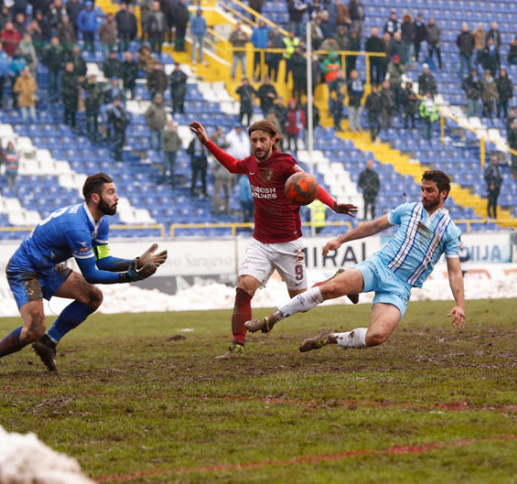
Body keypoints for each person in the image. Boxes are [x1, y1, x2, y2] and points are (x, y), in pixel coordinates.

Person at [0, 173, 169, 377]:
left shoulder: (100, 222)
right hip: (25, 269)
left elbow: (103, 261)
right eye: (111, 192)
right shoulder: (77, 227)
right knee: (34, 329)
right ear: (95, 198)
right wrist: (133, 276)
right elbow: (91, 274)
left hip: (48, 267)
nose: (117, 197)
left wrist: (135, 263)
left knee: (93, 297)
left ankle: (48, 342)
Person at [188, 119, 357, 358]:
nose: (257, 145)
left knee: (301, 301)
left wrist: (333, 204)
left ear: (273, 141)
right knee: (243, 288)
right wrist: (207, 142)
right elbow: (231, 165)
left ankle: (340, 279)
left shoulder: (285, 162)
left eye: (262, 140)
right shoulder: (249, 164)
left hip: (288, 243)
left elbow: (310, 185)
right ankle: (237, 346)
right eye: (254, 140)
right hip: (260, 242)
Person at [245, 170, 465, 353]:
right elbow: (374, 226)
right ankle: (270, 319)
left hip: (400, 287)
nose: (424, 194)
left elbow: (454, 272)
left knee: (377, 336)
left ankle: (329, 338)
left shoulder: (450, 231)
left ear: (443, 193)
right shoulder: (408, 209)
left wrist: (459, 305)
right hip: (378, 266)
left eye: (430, 191)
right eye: (422, 189)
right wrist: (341, 239)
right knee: (330, 287)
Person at [162, 120, 181, 186]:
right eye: (170, 125)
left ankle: (171, 181)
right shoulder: (165, 131)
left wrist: (177, 147)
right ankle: (163, 180)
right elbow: (165, 138)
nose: (171, 126)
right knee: (165, 166)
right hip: (167, 151)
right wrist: (171, 132)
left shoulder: (176, 132)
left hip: (174, 151)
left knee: (172, 167)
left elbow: (179, 140)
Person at [483, 154, 502, 218]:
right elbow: (487, 177)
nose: (494, 161)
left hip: (497, 187)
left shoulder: (498, 168)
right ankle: (489, 215)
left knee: (495, 202)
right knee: (490, 201)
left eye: (495, 160)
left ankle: (495, 216)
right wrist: (491, 183)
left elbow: (499, 177)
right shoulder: (489, 168)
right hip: (491, 188)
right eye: (493, 160)